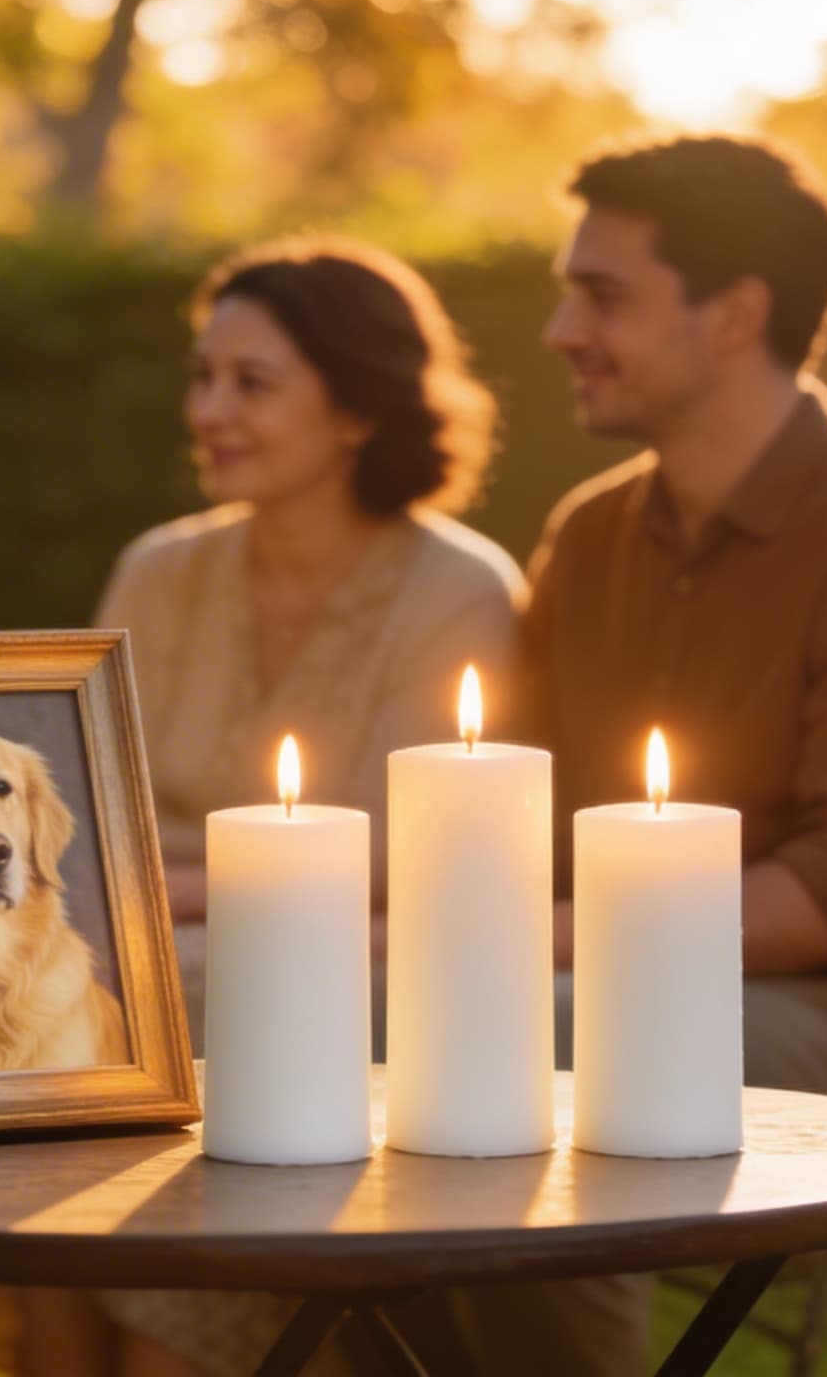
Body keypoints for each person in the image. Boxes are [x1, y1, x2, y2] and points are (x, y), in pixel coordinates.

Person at [469, 136, 827, 1373]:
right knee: (403, 1021)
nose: (561, 328)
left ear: (735, 318)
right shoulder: (593, 536)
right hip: (599, 989)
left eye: (601, 295)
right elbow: (502, 804)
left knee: (519, 1036)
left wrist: (534, 939)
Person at [51, 234, 523, 1376]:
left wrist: (183, 892)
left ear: (358, 410)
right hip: (130, 925)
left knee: (225, 993)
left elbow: (434, 847)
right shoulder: (158, 570)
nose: (211, 409)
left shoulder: (459, 590)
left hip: (351, 943)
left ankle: (194, 1351)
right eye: (203, 378)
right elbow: (82, 797)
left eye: (251, 384)